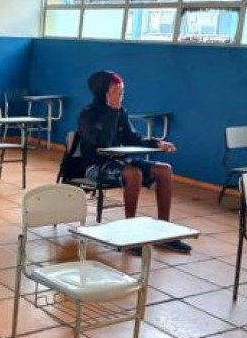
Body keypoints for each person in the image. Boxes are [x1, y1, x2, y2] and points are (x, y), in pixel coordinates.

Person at [78, 70, 191, 254]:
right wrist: (112, 111)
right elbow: (102, 144)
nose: (121, 95)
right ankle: (129, 234)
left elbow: (132, 138)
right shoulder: (88, 114)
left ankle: (164, 232)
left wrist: (156, 143)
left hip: (121, 161)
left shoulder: (120, 112)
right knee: (134, 173)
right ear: (103, 92)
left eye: (122, 91)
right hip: (96, 166)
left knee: (164, 170)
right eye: (116, 91)